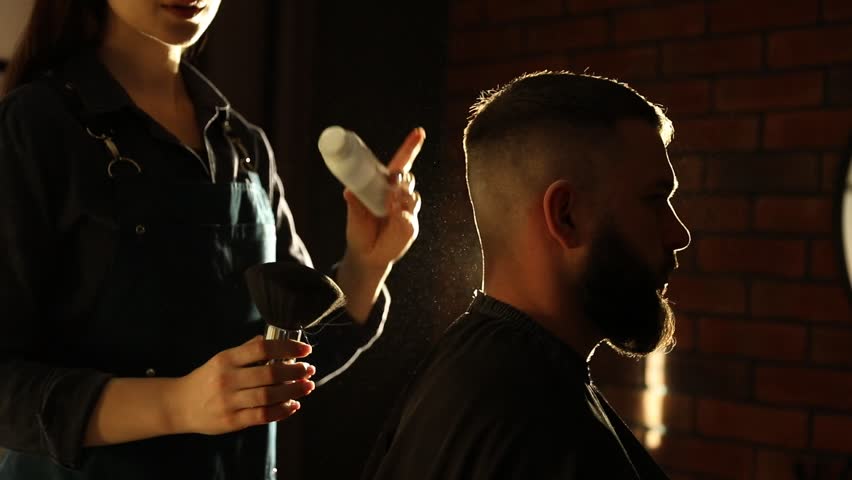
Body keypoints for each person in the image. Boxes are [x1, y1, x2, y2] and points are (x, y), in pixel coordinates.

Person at [0, 1, 424, 479]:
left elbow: (286, 360)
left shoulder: (243, 145)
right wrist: (177, 405)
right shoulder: (33, 127)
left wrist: (365, 267)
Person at [362, 71, 690, 479]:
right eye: (654, 200)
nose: (680, 234)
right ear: (565, 216)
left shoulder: (449, 383)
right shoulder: (554, 439)